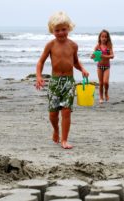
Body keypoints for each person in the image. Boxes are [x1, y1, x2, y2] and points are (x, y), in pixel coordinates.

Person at [35, 11, 89, 149]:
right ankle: (55, 130)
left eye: (63, 29)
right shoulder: (50, 45)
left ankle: (64, 140)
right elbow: (40, 62)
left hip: (69, 82)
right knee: (53, 114)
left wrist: (82, 69)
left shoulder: (73, 45)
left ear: (68, 28)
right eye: (57, 30)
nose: (60, 33)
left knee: (66, 111)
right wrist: (39, 76)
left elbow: (75, 62)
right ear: (52, 31)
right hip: (54, 82)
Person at [91, 29, 114, 103]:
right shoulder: (97, 46)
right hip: (99, 66)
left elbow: (112, 56)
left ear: (107, 38)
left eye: (105, 37)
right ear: (100, 37)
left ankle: (106, 92)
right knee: (101, 83)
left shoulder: (109, 46)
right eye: (102, 36)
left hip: (107, 67)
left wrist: (104, 56)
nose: (104, 38)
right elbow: (94, 56)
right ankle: (101, 97)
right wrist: (93, 56)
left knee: (106, 82)